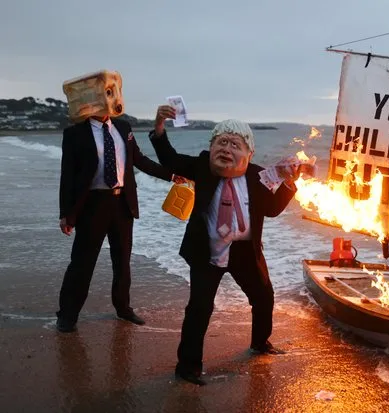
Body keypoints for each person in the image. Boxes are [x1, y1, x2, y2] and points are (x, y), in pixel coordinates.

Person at [149, 105, 304, 386]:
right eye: (221, 142)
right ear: (211, 146)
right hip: (209, 250)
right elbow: (169, 160)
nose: (227, 149)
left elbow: (271, 210)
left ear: (249, 153)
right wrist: (160, 127)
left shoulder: (258, 175)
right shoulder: (201, 167)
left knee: (264, 296)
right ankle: (188, 366)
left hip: (245, 252)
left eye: (235, 144)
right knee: (199, 308)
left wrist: (290, 184)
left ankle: (260, 342)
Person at [56, 114, 186, 333]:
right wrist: (66, 213)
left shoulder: (123, 127)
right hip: (92, 204)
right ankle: (67, 314)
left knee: (122, 261)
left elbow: (139, 159)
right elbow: (67, 174)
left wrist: (171, 175)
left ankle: (123, 308)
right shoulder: (75, 133)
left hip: (122, 203)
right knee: (82, 263)